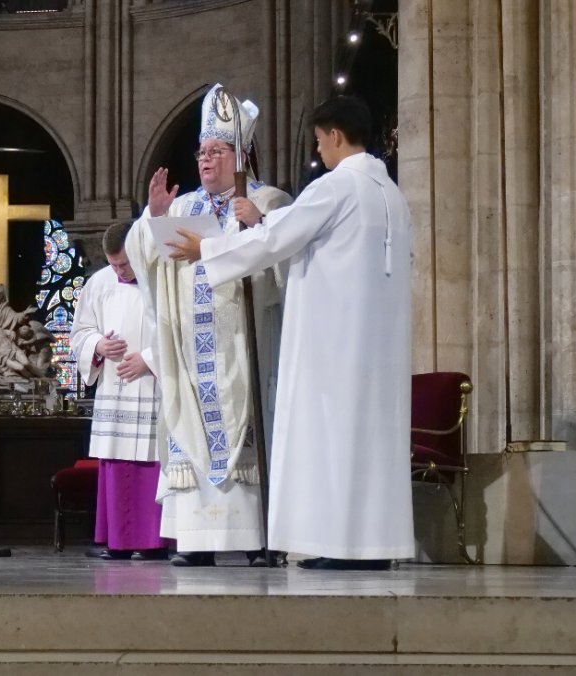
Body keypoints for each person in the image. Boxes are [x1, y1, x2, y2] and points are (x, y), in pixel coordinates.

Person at [166, 95, 415, 570]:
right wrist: (264, 221)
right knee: (370, 442)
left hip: (332, 339)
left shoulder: (335, 187)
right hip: (378, 344)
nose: (319, 150)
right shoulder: (392, 195)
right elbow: (292, 228)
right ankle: (370, 548)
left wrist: (210, 251)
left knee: (331, 438)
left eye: (320, 140)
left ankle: (343, 546)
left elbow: (274, 241)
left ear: (335, 135)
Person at [125, 83, 292, 566]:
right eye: (201, 151)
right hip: (190, 350)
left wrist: (259, 223)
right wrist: (153, 218)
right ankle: (196, 540)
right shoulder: (184, 208)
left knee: (247, 425)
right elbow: (147, 261)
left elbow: (283, 268)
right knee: (191, 428)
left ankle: (256, 537)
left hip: (243, 345)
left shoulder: (268, 199)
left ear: (240, 155)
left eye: (216, 151)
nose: (205, 160)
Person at [70, 222, 168, 561]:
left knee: (154, 463)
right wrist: (99, 345)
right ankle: (119, 541)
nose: (119, 271)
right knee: (118, 464)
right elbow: (80, 333)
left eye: (125, 264)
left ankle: (154, 542)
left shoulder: (162, 278)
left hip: (154, 386)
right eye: (113, 265)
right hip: (116, 388)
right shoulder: (98, 283)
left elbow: (180, 328)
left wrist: (150, 360)